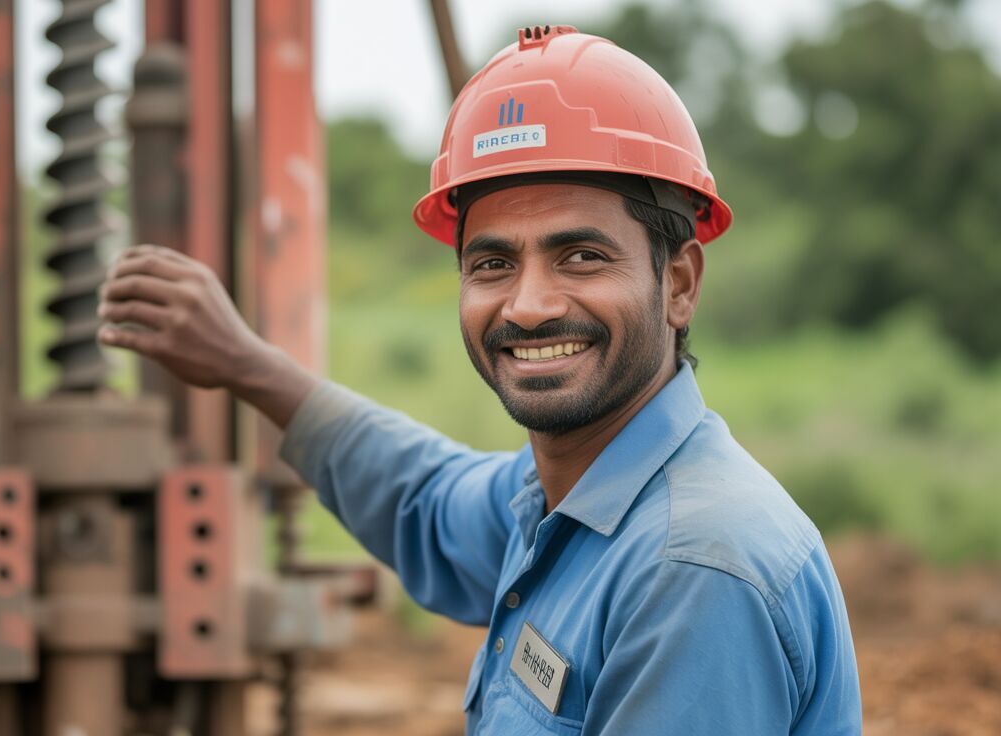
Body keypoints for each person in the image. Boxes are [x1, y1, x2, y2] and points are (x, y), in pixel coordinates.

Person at [97, 25, 861, 735]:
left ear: (680, 282)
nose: (527, 306)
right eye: (492, 264)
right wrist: (246, 364)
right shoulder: (562, 501)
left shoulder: (690, 571)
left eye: (581, 257)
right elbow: (424, 498)